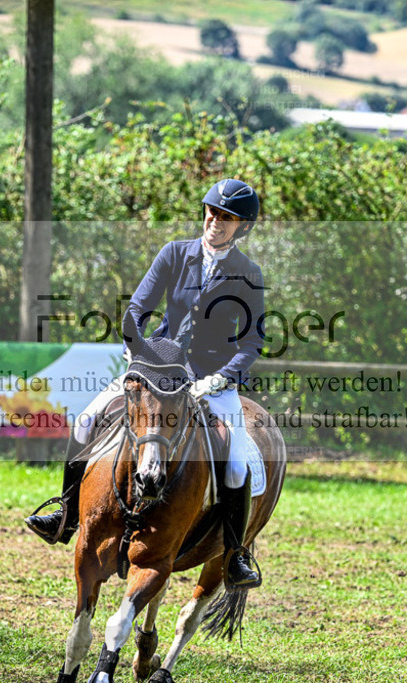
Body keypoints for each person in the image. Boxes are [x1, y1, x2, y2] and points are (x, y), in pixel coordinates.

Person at [26, 178, 266, 589]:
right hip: (158, 365)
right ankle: (66, 515)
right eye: (212, 212)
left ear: (242, 226)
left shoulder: (248, 273)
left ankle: (235, 555)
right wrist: (134, 346)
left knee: (237, 463)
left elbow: (252, 342)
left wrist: (221, 378)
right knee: (85, 421)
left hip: (211, 379)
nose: (215, 221)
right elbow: (138, 308)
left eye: (226, 217)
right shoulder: (174, 253)